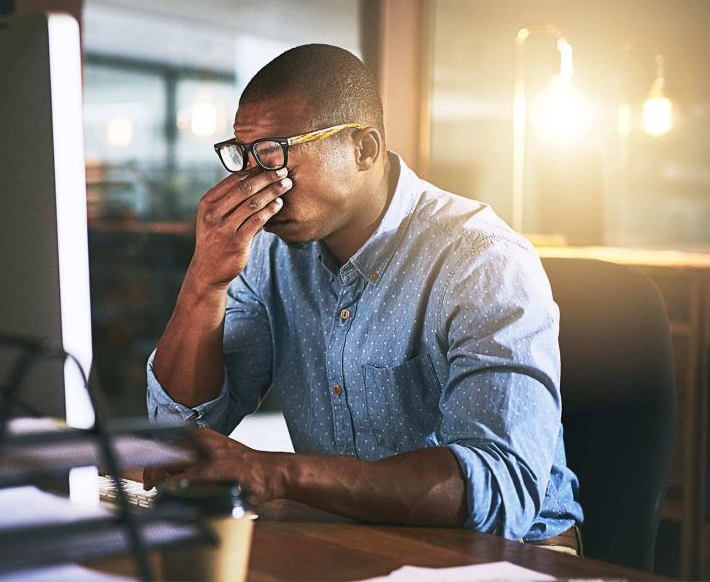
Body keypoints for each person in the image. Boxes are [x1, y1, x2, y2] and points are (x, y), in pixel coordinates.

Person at [144, 44, 583, 553]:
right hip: (349, 535)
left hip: (514, 555)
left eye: (276, 155)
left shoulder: (483, 260)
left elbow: (499, 490)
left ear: (364, 149)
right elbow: (181, 436)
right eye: (245, 158)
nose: (254, 184)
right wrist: (205, 280)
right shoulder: (268, 255)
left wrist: (275, 472)